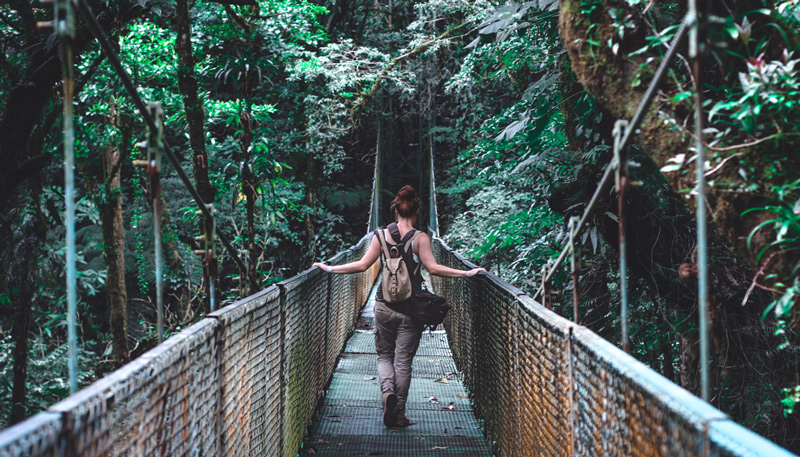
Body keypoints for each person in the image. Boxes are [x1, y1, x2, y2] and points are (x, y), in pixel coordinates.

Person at [312, 185, 485, 428]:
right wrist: (467, 273)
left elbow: (362, 265)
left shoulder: (380, 236)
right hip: (411, 309)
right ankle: (400, 413)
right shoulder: (420, 238)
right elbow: (434, 269)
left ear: (396, 210)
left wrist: (329, 268)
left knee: (384, 355)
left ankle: (386, 395)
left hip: (383, 306)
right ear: (416, 211)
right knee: (403, 361)